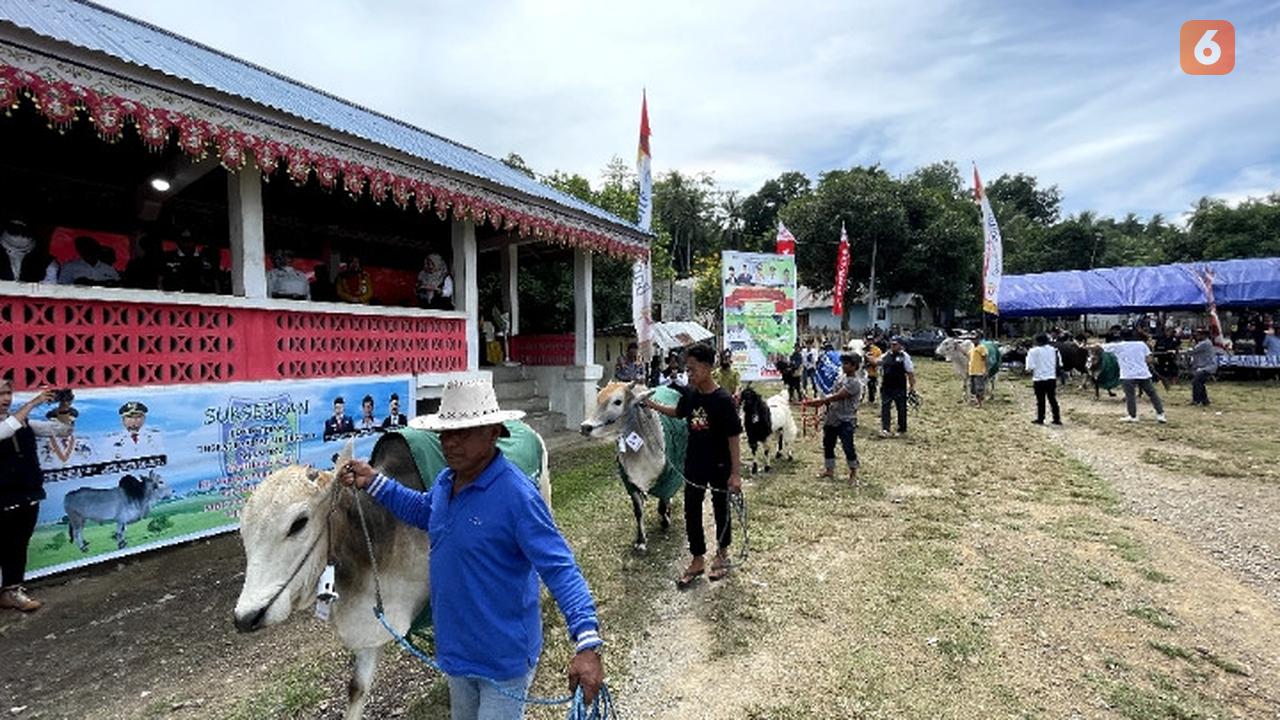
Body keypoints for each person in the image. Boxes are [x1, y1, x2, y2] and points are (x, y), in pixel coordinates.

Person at [338, 378, 604, 718]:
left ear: (493, 432)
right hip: (456, 652)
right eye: (446, 433)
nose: (451, 443)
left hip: (503, 659)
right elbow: (425, 511)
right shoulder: (446, 481)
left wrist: (587, 642)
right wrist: (374, 482)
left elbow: (560, 569)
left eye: (464, 432)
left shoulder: (516, 496)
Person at [642, 343, 743, 586]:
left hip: (720, 464)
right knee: (691, 509)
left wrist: (736, 474)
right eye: (687, 369)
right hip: (694, 462)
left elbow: (734, 437)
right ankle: (697, 558)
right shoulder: (690, 394)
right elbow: (679, 413)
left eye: (693, 369)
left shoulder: (723, 400)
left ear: (708, 368)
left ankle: (721, 553)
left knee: (721, 509)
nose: (689, 373)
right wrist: (653, 406)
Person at [1, 380, 66, 612]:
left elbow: (62, 430)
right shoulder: (15, 420)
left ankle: (12, 591)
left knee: (18, 544)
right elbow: (5, 430)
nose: (5, 398)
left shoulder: (24, 421)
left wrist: (64, 406)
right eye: (0, 394)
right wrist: (35, 401)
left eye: (8, 393)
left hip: (27, 492)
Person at [804, 353, 864, 486]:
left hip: (846, 419)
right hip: (832, 416)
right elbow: (832, 393)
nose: (843, 366)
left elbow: (838, 396)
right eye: (843, 363)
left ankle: (853, 473)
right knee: (828, 444)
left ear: (854, 366)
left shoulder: (855, 383)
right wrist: (822, 405)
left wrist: (820, 401)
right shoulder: (841, 377)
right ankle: (829, 470)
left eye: (846, 364)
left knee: (848, 447)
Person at [1103, 329, 1166, 423]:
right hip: (1143, 373)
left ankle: (1133, 416)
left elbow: (1100, 347)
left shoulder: (1119, 346)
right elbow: (1149, 359)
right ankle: (1160, 414)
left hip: (1128, 375)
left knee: (1130, 396)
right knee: (1152, 394)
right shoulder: (1141, 344)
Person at [101, 401, 166, 463]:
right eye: (129, 417)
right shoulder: (112, 440)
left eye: (138, 417)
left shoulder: (155, 436)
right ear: (123, 420)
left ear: (144, 418)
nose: (134, 420)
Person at [878, 336, 915, 437]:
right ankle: (886, 429)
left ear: (900, 345)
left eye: (895, 344)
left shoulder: (905, 357)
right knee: (885, 408)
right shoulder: (886, 355)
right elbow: (878, 363)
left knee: (901, 408)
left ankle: (902, 429)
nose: (892, 346)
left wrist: (912, 387)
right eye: (892, 344)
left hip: (899, 387)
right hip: (886, 387)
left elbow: (910, 372)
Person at [1026, 333, 1063, 425]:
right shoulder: (1054, 350)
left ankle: (1040, 418)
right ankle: (1057, 418)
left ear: (1037, 341)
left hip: (1039, 378)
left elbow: (1029, 367)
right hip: (1051, 377)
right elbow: (1060, 364)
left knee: (1040, 400)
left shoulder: (1033, 351)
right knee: (1052, 398)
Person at [1188, 329, 1226, 406]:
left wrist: (1190, 342)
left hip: (1208, 367)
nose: (1197, 336)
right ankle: (1205, 400)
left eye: (1199, 334)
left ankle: (1197, 400)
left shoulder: (1205, 343)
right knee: (1200, 382)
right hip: (1205, 366)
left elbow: (1192, 350)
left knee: (1196, 382)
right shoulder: (1204, 342)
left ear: (1204, 335)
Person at [967, 332, 989, 407]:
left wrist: (986, 369)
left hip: (979, 371)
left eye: (975, 339)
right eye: (972, 339)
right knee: (973, 388)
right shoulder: (972, 349)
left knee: (979, 388)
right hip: (972, 371)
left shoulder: (981, 348)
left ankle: (980, 403)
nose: (973, 341)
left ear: (978, 339)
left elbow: (985, 358)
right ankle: (975, 401)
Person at [863, 334, 882, 403]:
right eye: (868, 340)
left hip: (873, 371)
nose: (869, 342)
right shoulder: (863, 349)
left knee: (872, 386)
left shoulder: (877, 350)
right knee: (863, 386)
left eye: (871, 340)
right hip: (864, 371)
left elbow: (880, 360)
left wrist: (873, 362)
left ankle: (871, 399)